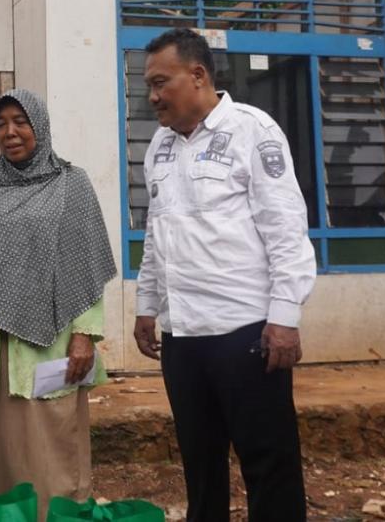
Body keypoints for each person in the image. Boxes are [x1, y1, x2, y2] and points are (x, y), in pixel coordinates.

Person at [132, 28, 317, 521]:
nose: (153, 96)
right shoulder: (160, 147)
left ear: (198, 75)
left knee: (269, 463)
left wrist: (285, 317)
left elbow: (285, 230)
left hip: (246, 333)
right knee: (200, 464)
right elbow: (156, 232)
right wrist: (147, 305)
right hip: (183, 336)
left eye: (160, 83)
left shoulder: (253, 131)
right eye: (149, 86)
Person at [0, 88, 116, 519]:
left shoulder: (70, 184)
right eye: (1, 124)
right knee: (3, 445)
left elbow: (84, 264)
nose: (10, 132)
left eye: (20, 122)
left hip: (52, 338)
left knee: (55, 438)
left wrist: (85, 335)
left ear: (39, 125)